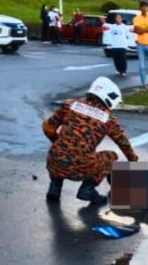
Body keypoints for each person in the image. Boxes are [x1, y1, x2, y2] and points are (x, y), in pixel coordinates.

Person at [44, 77, 138, 205]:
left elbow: (47, 127)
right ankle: (87, 189)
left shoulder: (69, 105)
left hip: (54, 162)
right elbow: (123, 143)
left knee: (59, 154)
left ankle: (55, 187)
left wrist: (59, 144)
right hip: (79, 169)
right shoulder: (109, 120)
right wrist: (133, 159)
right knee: (111, 157)